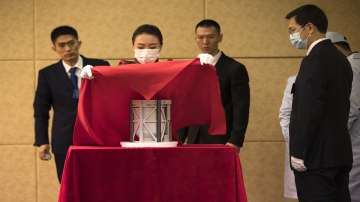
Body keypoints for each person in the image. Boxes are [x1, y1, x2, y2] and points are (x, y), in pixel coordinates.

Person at [286, 4, 353, 201]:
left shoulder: (313, 60)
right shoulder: (341, 60)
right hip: (339, 153)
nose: (291, 36)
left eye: (292, 30)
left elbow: (308, 109)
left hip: (316, 159)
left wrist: (298, 152)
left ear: (309, 28)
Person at [33, 25, 110, 182]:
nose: (68, 49)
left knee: (100, 184)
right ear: (54, 48)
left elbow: (111, 100)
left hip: (97, 137)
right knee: (69, 186)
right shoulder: (47, 74)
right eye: (62, 45)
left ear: (79, 44)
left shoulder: (101, 66)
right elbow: (41, 110)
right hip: (63, 140)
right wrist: (42, 141)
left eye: (71, 43)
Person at [178, 19, 250, 153]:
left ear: (220, 37)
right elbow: (186, 105)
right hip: (194, 137)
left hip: (222, 139)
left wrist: (236, 140)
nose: (205, 42)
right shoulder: (190, 68)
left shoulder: (234, 68)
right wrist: (180, 138)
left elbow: (241, 108)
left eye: (210, 37)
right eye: (200, 37)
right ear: (196, 39)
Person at [326, 31, 360, 202]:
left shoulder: (351, 67)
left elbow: (351, 108)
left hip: (353, 142)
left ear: (336, 48)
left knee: (351, 192)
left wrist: (332, 138)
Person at [279, 75, 298, 200]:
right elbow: (285, 114)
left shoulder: (337, 78)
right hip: (300, 146)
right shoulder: (295, 80)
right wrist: (294, 142)